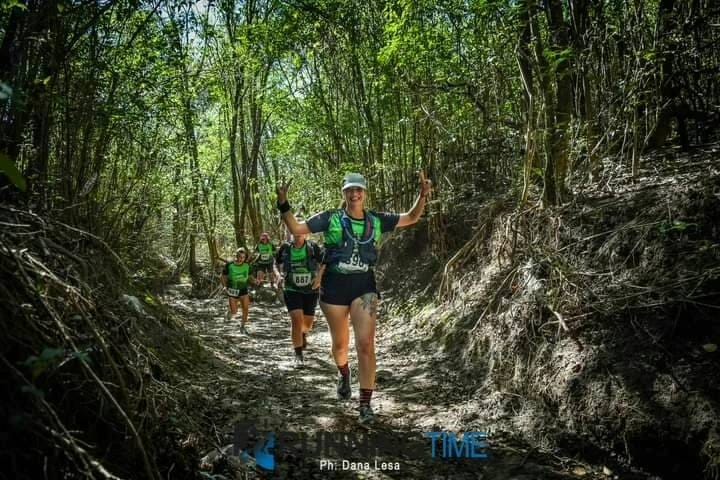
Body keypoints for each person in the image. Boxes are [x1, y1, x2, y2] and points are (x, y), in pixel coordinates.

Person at [276, 171, 432, 426]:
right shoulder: (330, 218)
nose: (354, 193)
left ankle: (365, 405)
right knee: (340, 346)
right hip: (334, 289)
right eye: (350, 190)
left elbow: (412, 217)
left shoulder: (377, 220)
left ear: (365, 193)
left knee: (366, 344)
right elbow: (296, 227)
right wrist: (283, 201)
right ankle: (344, 373)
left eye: (358, 189)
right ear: (344, 194)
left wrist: (422, 195)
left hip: (364, 287)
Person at [274, 231, 324, 368]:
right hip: (291, 288)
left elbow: (324, 263)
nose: (297, 235)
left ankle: (302, 334)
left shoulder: (313, 247)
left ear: (306, 235)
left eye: (300, 233)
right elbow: (275, 263)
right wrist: (278, 275)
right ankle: (298, 355)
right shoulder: (284, 248)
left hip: (311, 289)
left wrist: (319, 278)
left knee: (307, 325)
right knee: (296, 320)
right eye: (294, 233)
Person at [221, 247, 256, 334]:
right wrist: (225, 286)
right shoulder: (230, 265)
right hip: (232, 290)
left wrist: (255, 281)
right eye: (239, 257)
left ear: (245, 258)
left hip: (243, 290)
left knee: (246, 308)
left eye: (243, 257)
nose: (241, 259)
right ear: (236, 256)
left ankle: (242, 326)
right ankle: (230, 311)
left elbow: (250, 277)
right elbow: (223, 276)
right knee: (234, 311)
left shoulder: (247, 266)